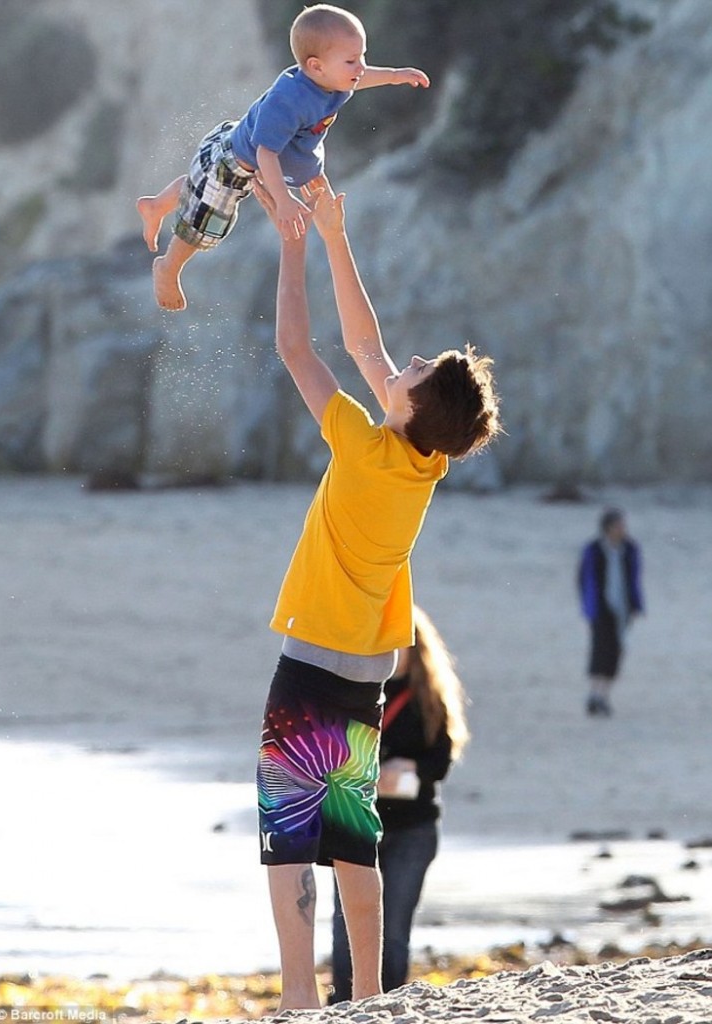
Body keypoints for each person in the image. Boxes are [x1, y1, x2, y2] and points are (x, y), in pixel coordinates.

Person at [253, 179, 500, 1011]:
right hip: (363, 675)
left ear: (408, 404)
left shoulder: (360, 446)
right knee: (353, 837)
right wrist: (332, 233)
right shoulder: (422, 461)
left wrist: (293, 243)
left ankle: (299, 995)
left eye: (415, 369)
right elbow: (365, 344)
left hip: (308, 665)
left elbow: (299, 347)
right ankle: (362, 995)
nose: (405, 361)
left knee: (290, 839)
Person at [136, 3, 429, 311]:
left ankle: (156, 205)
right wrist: (283, 199)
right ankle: (168, 268)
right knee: (205, 219)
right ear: (316, 66)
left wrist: (396, 76)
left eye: (362, 56)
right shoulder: (289, 100)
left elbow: (363, 77)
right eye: (352, 61)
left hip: (236, 144)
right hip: (237, 163)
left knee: (201, 184)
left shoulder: (335, 78)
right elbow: (266, 153)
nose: (360, 67)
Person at [329, 605, 470, 1002]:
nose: (389, 652)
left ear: (414, 646)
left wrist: (409, 770)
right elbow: (332, 756)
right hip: (357, 823)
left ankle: (388, 1004)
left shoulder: (430, 698)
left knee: (393, 932)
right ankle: (344, 1004)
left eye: (397, 643)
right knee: (346, 928)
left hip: (413, 827)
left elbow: (441, 760)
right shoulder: (357, 692)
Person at [578, 507, 644, 716]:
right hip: (600, 607)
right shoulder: (594, 550)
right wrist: (589, 605)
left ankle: (602, 696)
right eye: (619, 526)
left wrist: (637, 604)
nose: (623, 529)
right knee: (601, 650)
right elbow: (584, 579)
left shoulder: (630, 549)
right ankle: (595, 694)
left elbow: (634, 578)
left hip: (623, 608)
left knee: (617, 651)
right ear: (608, 528)